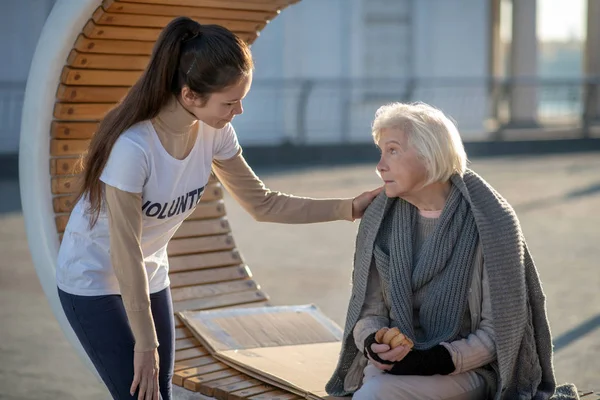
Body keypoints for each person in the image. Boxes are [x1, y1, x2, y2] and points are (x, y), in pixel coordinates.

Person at [55, 17, 380, 400]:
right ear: (190, 95)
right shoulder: (134, 148)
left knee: (160, 393)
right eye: (230, 102)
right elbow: (124, 250)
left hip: (150, 272)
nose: (239, 110)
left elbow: (262, 203)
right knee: (138, 395)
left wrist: (348, 207)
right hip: (93, 279)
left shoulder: (215, 131)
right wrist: (146, 345)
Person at [325, 102, 579, 399]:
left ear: (430, 154)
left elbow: (499, 333)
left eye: (392, 151)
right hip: (394, 368)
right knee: (378, 387)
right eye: (381, 153)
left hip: (469, 371)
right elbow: (369, 312)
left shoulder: (491, 221)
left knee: (376, 393)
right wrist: (374, 342)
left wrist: (429, 360)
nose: (380, 165)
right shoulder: (380, 219)